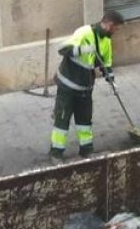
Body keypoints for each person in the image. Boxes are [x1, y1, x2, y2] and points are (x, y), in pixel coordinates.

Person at [49, 10, 125, 159]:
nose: (116, 31)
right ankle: (56, 153)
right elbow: (62, 49)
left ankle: (86, 150)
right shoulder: (84, 32)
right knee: (62, 119)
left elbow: (106, 64)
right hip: (68, 86)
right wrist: (82, 49)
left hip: (85, 88)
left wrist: (112, 82)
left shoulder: (106, 41)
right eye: (116, 28)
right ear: (110, 24)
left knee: (85, 120)